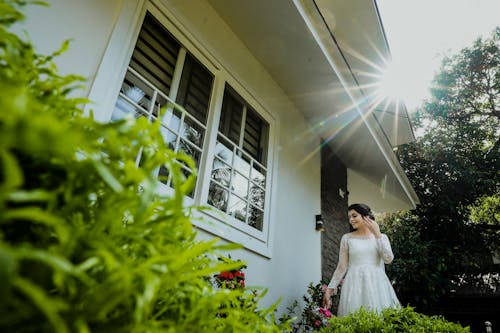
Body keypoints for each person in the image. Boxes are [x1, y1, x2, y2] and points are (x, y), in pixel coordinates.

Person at [322, 203, 400, 317]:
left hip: (377, 285)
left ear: (366, 216)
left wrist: (377, 234)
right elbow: (342, 267)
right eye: (349, 217)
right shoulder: (347, 238)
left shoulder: (381, 237)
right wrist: (329, 289)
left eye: (354, 216)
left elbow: (388, 259)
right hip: (354, 285)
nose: (351, 220)